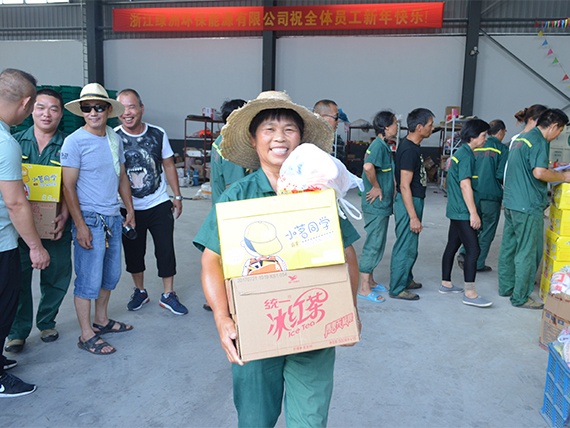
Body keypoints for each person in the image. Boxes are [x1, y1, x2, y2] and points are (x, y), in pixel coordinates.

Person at [193, 91, 360, 427]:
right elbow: (211, 260)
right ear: (254, 140)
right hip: (255, 327)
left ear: (300, 139)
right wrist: (222, 318)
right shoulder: (237, 196)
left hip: (312, 321)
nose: (279, 137)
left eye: (289, 129)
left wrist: (349, 309)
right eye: (269, 129)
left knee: (310, 420)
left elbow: (346, 254)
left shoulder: (319, 193)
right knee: (255, 419)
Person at [61, 83, 135, 355]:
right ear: (81, 111)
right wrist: (80, 225)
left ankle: (101, 320)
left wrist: (129, 209)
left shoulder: (114, 139)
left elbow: (121, 175)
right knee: (88, 279)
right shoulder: (74, 142)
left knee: (110, 275)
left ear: (108, 110)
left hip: (113, 216)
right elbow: (68, 187)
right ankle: (86, 334)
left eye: (98, 107)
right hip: (90, 218)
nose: (93, 112)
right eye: (87, 108)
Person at [5, 89, 72, 354]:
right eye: (41, 107)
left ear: (61, 114)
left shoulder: (68, 145)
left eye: (53, 109)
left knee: (57, 276)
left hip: (55, 225)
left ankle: (47, 322)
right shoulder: (15, 142)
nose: (47, 114)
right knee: (18, 280)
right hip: (20, 228)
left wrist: (65, 213)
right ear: (31, 109)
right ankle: (17, 332)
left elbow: (71, 186)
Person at [0, 68, 50, 397]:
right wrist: (35, 246)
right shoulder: (6, 143)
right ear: (26, 103)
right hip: (1, 242)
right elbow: (16, 203)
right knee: (4, 305)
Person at [115, 88, 187, 316]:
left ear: (141, 108)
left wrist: (177, 196)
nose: (127, 112)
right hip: (127, 207)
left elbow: (168, 165)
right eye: (122, 108)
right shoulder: (112, 137)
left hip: (158, 202)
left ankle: (168, 294)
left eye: (132, 106)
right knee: (134, 252)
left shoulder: (157, 133)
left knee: (165, 249)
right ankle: (140, 291)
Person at [499, 108, 570, 309]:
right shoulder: (539, 141)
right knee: (527, 252)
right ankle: (520, 297)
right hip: (527, 205)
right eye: (560, 131)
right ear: (554, 126)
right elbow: (539, 172)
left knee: (509, 247)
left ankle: (506, 287)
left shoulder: (522, 139)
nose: (558, 135)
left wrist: (552, 169)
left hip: (511, 202)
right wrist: (563, 177)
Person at [440, 119, 493, 308]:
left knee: (453, 245)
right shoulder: (467, 156)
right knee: (473, 250)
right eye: (483, 135)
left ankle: (446, 283)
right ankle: (470, 293)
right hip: (463, 211)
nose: (485, 139)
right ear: (473, 137)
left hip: (455, 209)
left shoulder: (460, 153)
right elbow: (465, 185)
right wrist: (473, 213)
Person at [314, 98, 360, 297]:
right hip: (319, 206)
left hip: (329, 203)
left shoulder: (324, 144)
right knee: (347, 253)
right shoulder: (310, 145)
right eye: (335, 117)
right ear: (321, 117)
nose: (337, 121)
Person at [389, 108, 434, 301]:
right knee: (405, 245)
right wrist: (413, 217)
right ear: (419, 127)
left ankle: (406, 279)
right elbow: (404, 185)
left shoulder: (412, 146)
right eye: (430, 125)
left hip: (414, 200)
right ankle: (397, 288)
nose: (432, 128)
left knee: (411, 245)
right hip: (409, 201)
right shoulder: (408, 150)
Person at [457, 119, 508, 272]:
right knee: (487, 230)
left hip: (472, 193)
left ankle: (464, 252)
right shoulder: (501, 148)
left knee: (473, 225)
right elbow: (501, 175)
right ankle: (478, 263)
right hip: (491, 195)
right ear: (500, 132)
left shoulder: (472, 146)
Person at [358, 110, 398, 303]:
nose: (397, 127)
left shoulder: (383, 145)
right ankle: (364, 288)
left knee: (378, 242)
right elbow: (368, 167)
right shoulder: (377, 146)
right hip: (375, 205)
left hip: (381, 205)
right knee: (374, 244)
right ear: (386, 127)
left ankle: (371, 281)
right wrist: (375, 186)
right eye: (395, 123)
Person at [210, 99, 247, 204]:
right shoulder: (232, 146)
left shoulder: (220, 140)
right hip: (231, 208)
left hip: (220, 204)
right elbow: (234, 188)